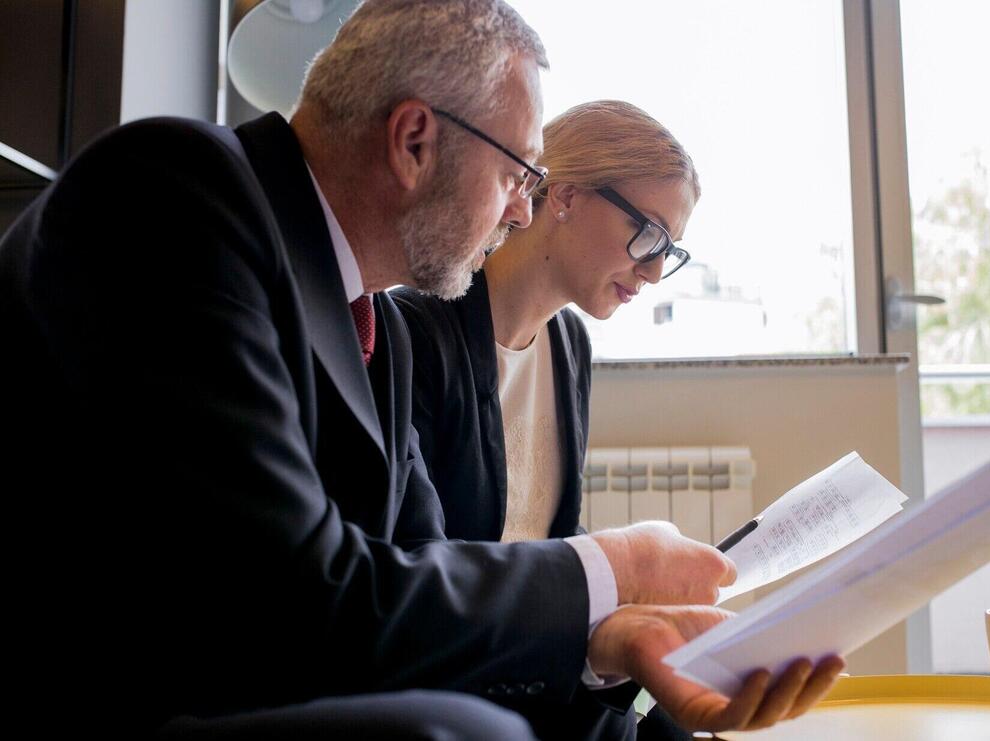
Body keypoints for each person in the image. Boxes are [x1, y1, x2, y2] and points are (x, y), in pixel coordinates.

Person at [0, 1, 842, 739]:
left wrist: (605, 643)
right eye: (518, 173)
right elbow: (294, 599)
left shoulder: (379, 334)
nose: (520, 208)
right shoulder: (174, 195)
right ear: (413, 140)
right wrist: (609, 567)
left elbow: (418, 582)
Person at [392, 99, 718, 740]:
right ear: (564, 195)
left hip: (552, 668)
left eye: (669, 250)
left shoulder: (568, 344)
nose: (654, 272)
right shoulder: (415, 331)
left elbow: (551, 530)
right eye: (648, 235)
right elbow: (421, 566)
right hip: (470, 679)